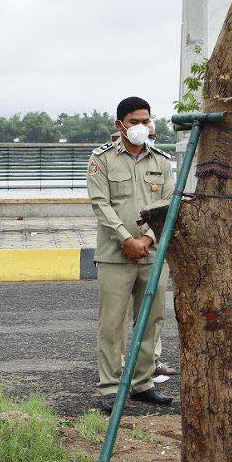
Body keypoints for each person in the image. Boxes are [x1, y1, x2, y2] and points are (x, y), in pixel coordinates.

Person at [87, 96, 175, 412]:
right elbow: (100, 204)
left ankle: (142, 383)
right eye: (134, 121)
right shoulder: (102, 159)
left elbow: (169, 204)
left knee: (151, 319)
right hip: (115, 254)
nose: (141, 126)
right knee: (112, 324)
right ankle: (110, 387)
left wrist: (148, 238)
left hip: (152, 253)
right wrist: (126, 239)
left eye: (145, 121)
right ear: (120, 125)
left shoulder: (161, 161)